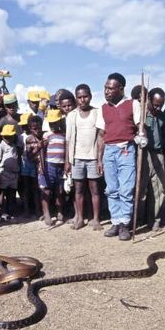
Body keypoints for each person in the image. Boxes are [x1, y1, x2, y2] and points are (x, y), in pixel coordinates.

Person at [96, 72, 143, 241]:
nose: (106, 91)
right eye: (105, 88)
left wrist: (141, 136)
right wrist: (99, 159)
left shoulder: (133, 104)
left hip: (126, 150)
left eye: (110, 88)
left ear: (121, 89)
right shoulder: (103, 108)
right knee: (111, 190)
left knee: (126, 189)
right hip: (109, 151)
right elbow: (101, 135)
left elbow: (140, 127)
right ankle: (115, 221)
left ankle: (124, 224)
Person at [65, 84, 102, 230]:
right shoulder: (72, 115)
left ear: (90, 96)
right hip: (77, 158)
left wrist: (99, 159)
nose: (82, 100)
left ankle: (96, 219)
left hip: (92, 158)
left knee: (95, 190)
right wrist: (68, 161)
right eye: (79, 97)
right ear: (76, 98)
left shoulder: (97, 113)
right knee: (78, 189)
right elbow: (68, 140)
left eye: (85, 96)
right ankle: (79, 218)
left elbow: (101, 137)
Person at [140, 87, 165, 231]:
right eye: (155, 104)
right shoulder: (142, 115)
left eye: (161, 105)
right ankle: (136, 219)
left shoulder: (162, 116)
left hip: (159, 154)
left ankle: (154, 220)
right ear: (149, 100)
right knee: (140, 188)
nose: (158, 107)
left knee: (158, 189)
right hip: (144, 154)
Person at [39, 109, 66, 226]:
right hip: (48, 165)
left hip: (60, 166)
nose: (54, 125)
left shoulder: (64, 135)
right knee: (46, 190)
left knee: (59, 191)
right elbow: (42, 151)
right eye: (51, 123)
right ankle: (47, 213)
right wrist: (41, 165)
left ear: (60, 122)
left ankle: (60, 211)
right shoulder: (46, 135)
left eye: (56, 123)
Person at [0, 124, 21, 222]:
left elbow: (16, 158)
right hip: (4, 173)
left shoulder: (14, 146)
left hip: (14, 173)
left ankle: (11, 210)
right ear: (2, 136)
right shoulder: (0, 146)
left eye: (10, 136)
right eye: (6, 136)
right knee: (3, 192)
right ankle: (3, 211)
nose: (8, 138)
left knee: (12, 193)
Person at [25, 115, 44, 218]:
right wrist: (38, 148)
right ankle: (36, 210)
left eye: (39, 128)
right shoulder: (29, 139)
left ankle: (43, 210)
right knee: (35, 189)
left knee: (43, 189)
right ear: (30, 128)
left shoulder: (45, 137)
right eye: (34, 129)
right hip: (34, 167)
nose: (37, 131)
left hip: (44, 166)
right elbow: (29, 156)